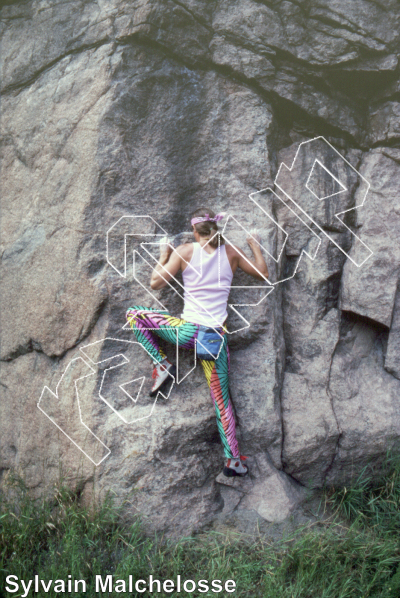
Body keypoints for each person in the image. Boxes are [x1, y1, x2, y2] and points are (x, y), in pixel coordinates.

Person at [126, 208, 269, 477]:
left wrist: (164, 256)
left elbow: (155, 283)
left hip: (187, 332)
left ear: (194, 230)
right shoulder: (232, 252)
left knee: (135, 315)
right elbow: (262, 274)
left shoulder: (185, 251)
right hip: (215, 341)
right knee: (222, 402)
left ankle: (161, 364)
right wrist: (255, 247)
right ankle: (233, 461)